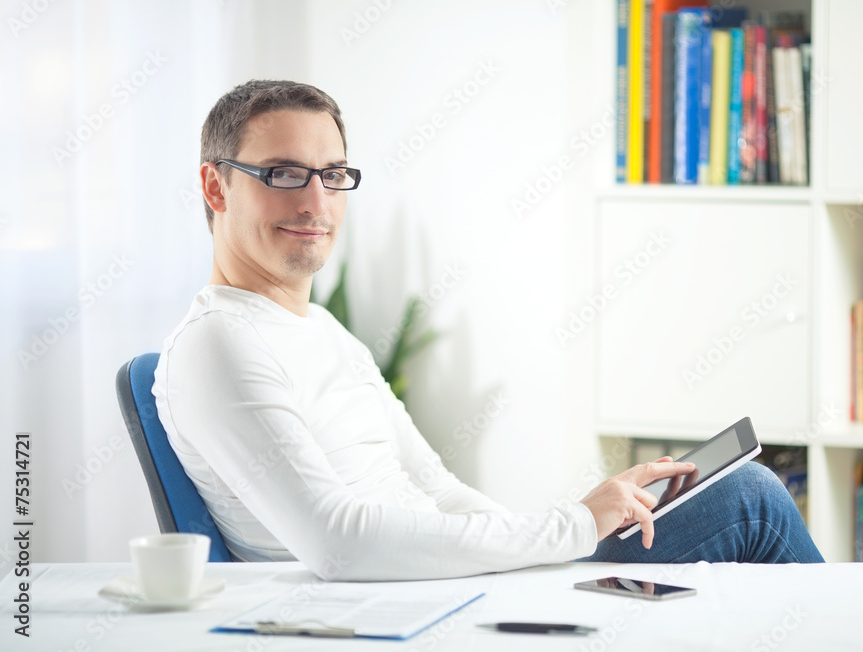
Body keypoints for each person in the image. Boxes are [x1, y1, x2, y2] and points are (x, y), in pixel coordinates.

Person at [153, 79, 823, 581]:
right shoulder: (218, 343)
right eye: (284, 174)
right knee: (751, 502)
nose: (316, 202)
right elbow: (339, 541)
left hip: (460, 584)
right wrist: (573, 527)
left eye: (332, 175)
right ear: (216, 187)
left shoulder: (322, 329)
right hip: (400, 612)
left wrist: (552, 543)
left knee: (731, 503)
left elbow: (437, 488)